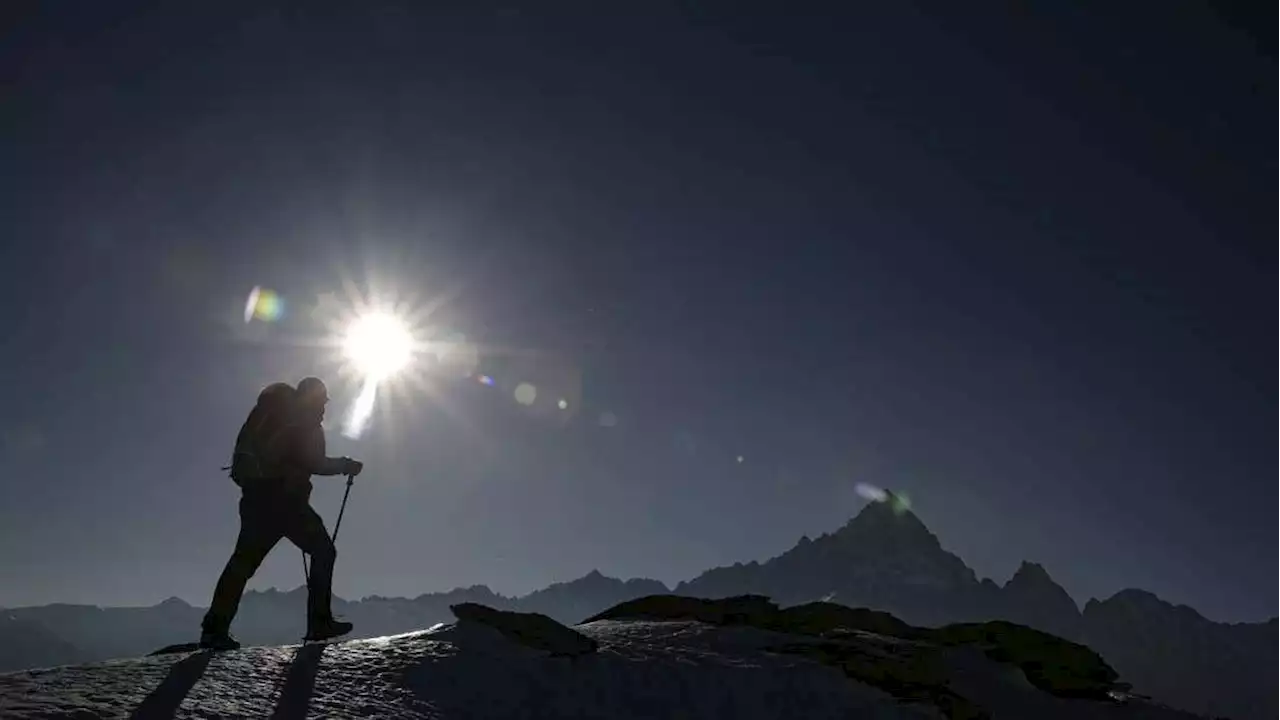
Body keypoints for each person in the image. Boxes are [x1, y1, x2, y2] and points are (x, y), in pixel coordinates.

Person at [200, 377, 364, 649]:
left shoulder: (272, 416)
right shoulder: (304, 421)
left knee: (241, 564)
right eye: (322, 401)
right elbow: (314, 462)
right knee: (323, 552)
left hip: (255, 500)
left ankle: (213, 630)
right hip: (287, 503)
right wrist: (346, 465)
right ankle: (319, 623)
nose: (324, 407)